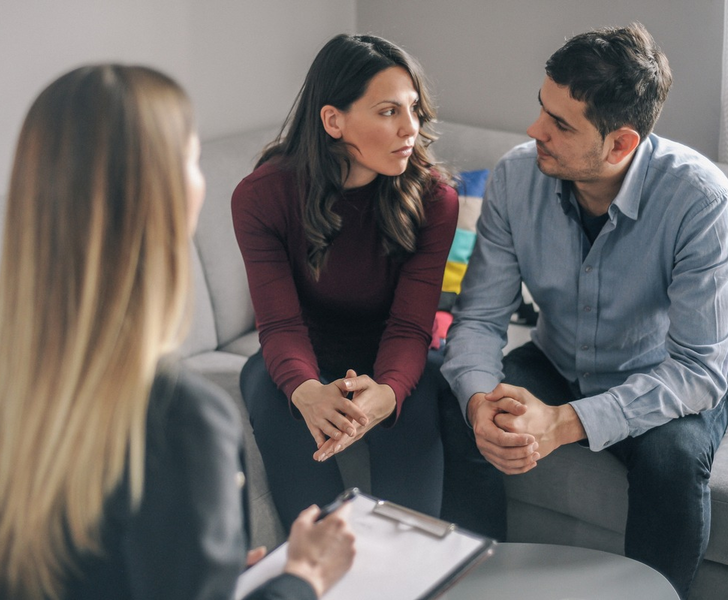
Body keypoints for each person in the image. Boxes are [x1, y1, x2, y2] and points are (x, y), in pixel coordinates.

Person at [0, 64, 355, 600]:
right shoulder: (180, 420)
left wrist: (202, 571)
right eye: (191, 159)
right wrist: (303, 577)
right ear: (163, 197)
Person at [441, 22, 728, 598]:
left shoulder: (700, 200)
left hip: (657, 376)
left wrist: (563, 422)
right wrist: (478, 402)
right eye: (541, 108)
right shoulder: (515, 176)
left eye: (561, 124)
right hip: (557, 360)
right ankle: (474, 584)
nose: (534, 130)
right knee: (452, 401)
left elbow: (699, 369)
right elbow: (479, 320)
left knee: (672, 459)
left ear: (620, 144)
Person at [232, 34, 459, 529]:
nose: (410, 128)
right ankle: (321, 558)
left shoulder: (435, 200)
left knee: (415, 410)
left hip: (395, 354)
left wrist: (388, 392)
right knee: (268, 390)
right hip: (302, 352)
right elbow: (280, 324)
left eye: (413, 109)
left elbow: (409, 327)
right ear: (333, 121)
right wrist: (307, 390)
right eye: (388, 112)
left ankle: (406, 563)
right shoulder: (262, 196)